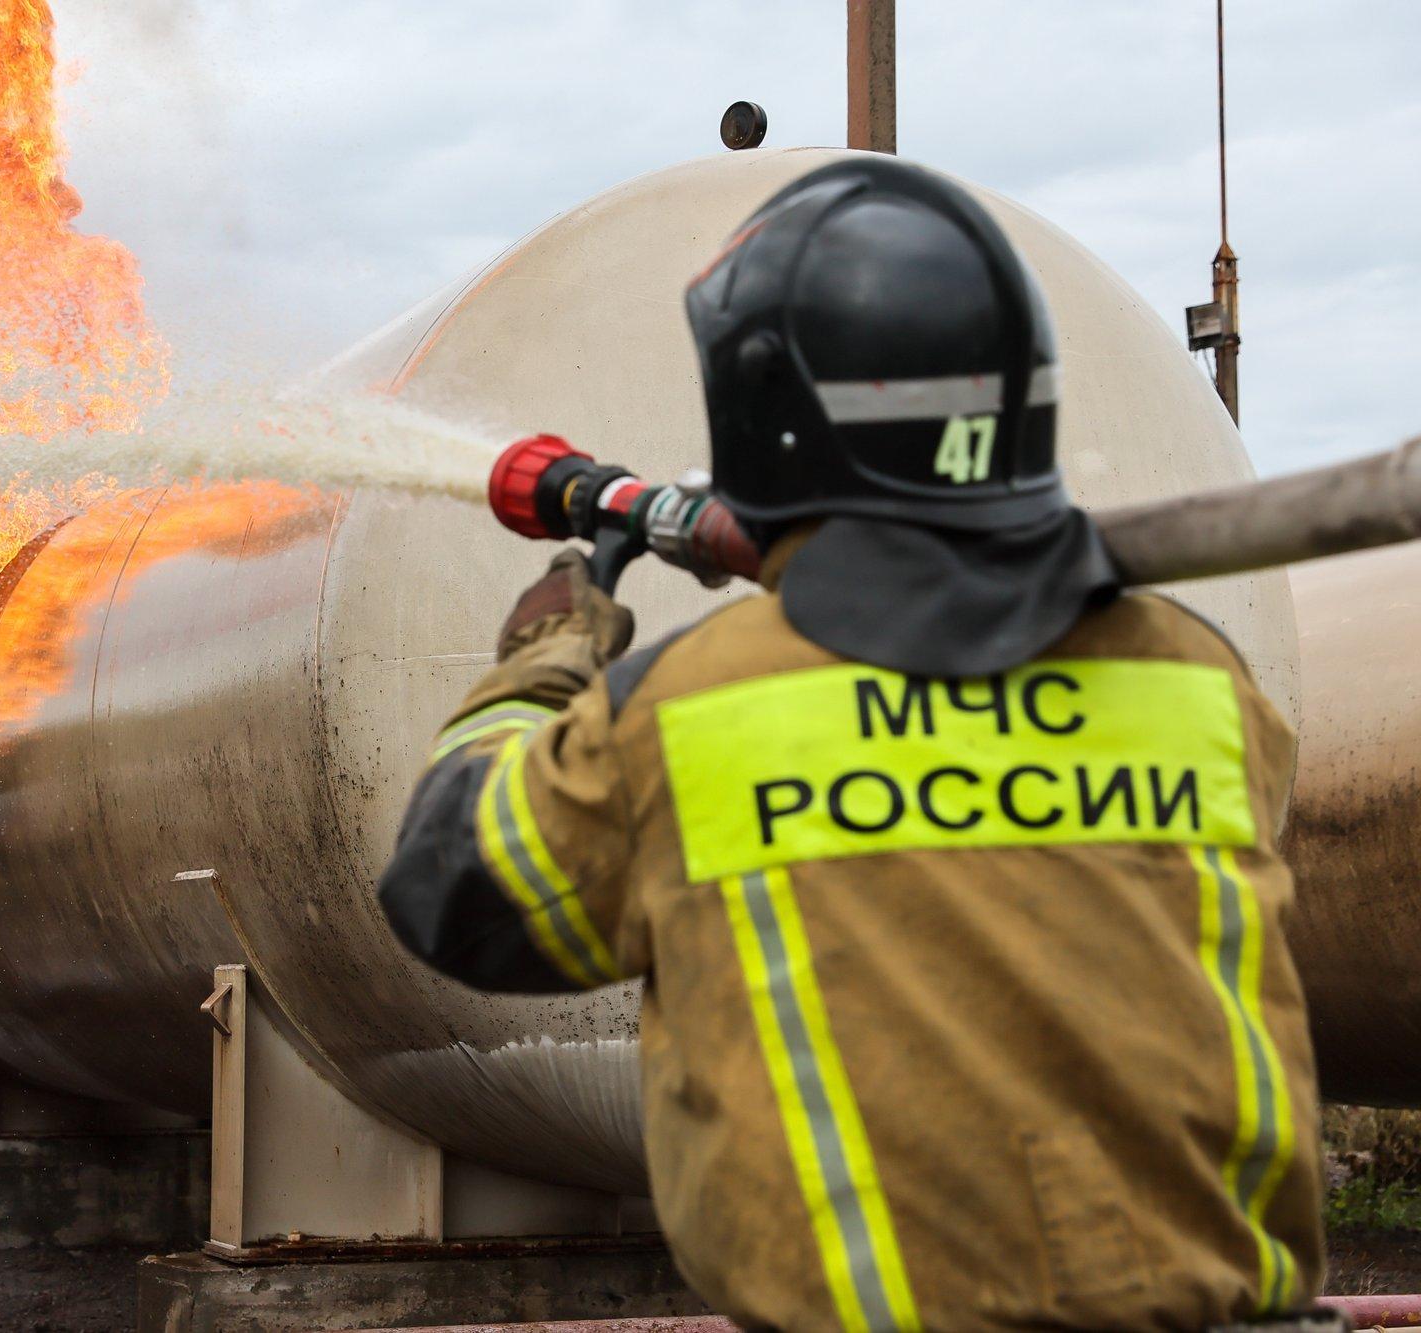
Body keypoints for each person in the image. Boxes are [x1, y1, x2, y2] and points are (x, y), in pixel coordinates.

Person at [377, 157, 1329, 1331]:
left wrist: (541, 659)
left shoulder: (688, 716)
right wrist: (817, 556)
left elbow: (447, 889)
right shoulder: (1196, 683)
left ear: (758, 414)